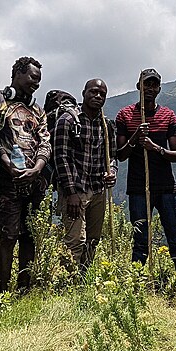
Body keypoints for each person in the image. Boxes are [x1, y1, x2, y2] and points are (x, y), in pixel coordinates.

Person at [115, 68, 176, 290]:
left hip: (166, 187)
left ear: (159, 89)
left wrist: (155, 147)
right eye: (145, 84)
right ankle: (136, 286)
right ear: (138, 86)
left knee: (175, 237)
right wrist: (135, 138)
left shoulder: (168, 115)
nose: (149, 89)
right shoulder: (125, 115)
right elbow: (120, 155)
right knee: (140, 240)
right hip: (139, 187)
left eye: (153, 85)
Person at [0, 56, 51, 292]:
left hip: (35, 182)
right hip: (8, 182)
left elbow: (45, 141)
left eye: (39, 80)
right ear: (17, 74)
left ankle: (23, 288)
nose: (36, 83)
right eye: (33, 78)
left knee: (30, 236)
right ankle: (3, 291)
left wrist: (37, 168)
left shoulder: (38, 110)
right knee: (8, 236)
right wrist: (8, 165)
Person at [53, 79, 116, 274]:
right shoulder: (68, 121)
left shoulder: (106, 125)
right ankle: (68, 283)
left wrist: (112, 171)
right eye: (94, 92)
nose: (98, 97)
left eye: (102, 94)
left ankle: (84, 280)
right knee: (74, 241)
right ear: (83, 93)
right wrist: (70, 192)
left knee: (93, 240)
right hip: (75, 192)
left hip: (98, 190)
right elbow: (60, 157)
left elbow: (112, 156)